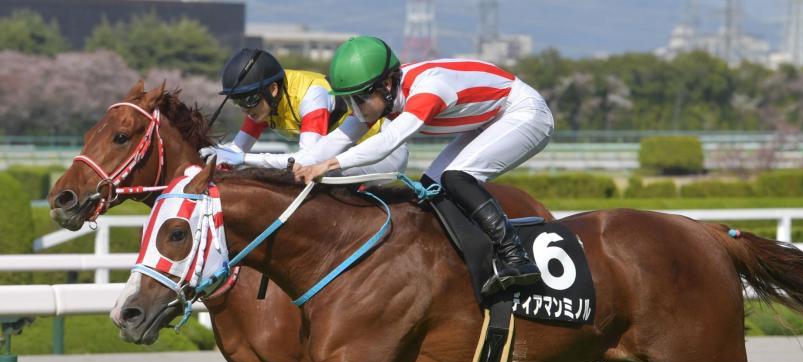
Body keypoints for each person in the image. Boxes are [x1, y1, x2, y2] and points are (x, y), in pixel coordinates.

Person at [292, 36, 554, 297]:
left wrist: (328, 165)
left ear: (385, 84)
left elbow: (389, 141)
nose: (355, 110)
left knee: (456, 178)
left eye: (359, 100)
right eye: (349, 101)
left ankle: (516, 258)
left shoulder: (430, 88)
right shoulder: (384, 95)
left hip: (524, 113)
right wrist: (297, 167)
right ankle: (463, 262)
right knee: (431, 188)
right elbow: (339, 139)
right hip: (487, 120)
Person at [201, 48, 408, 175]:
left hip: (385, 153)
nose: (246, 110)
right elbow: (235, 152)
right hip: (342, 156)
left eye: (249, 101)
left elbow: (306, 160)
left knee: (310, 175)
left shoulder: (312, 97)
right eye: (239, 103)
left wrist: (244, 159)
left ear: (273, 89)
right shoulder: (263, 104)